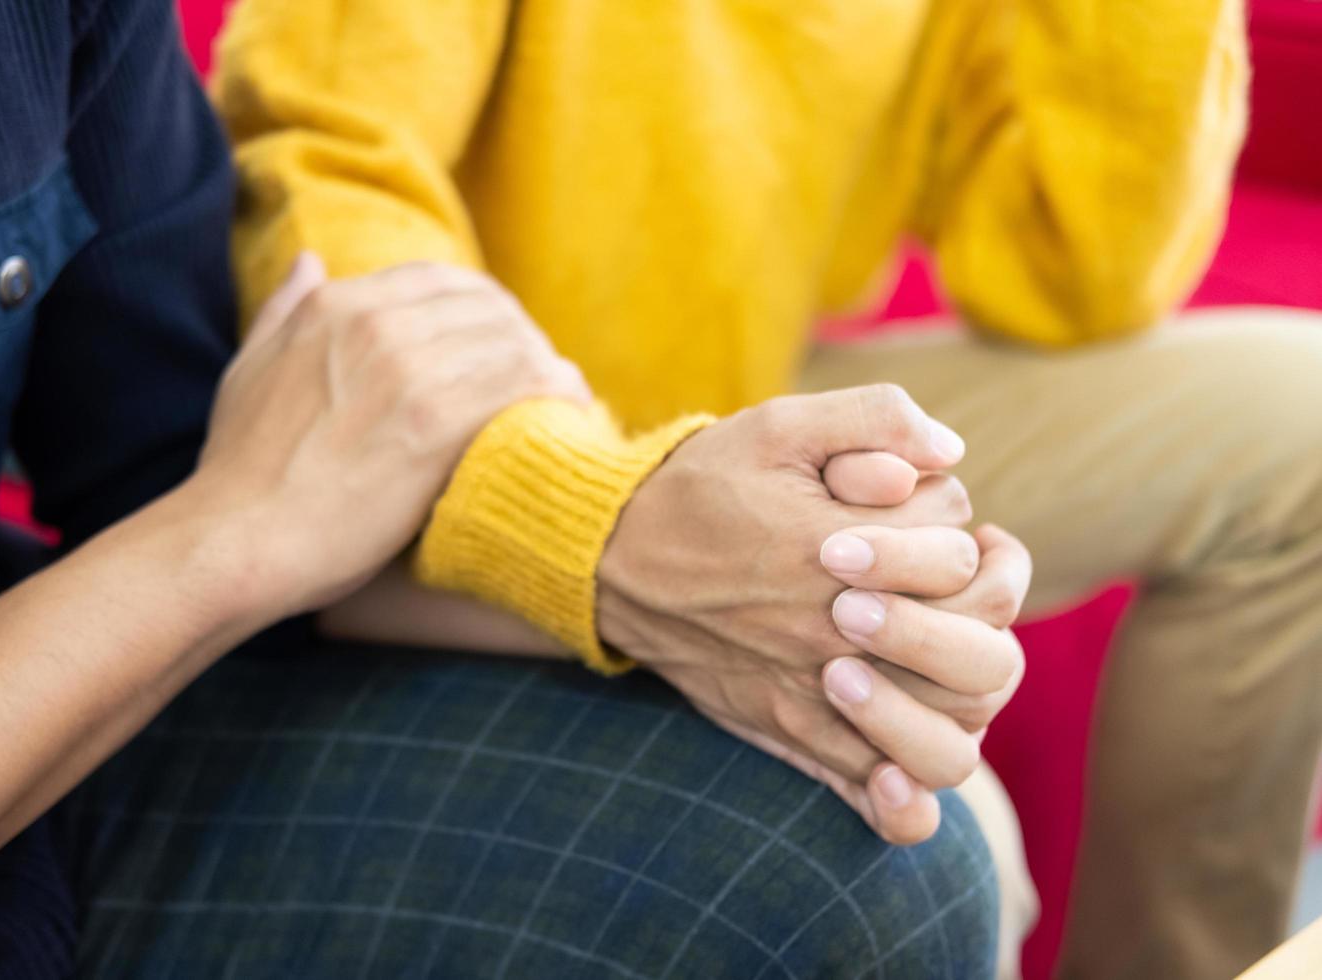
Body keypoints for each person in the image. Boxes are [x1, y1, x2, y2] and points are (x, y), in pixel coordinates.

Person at [0, 1, 1021, 977]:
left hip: (45, 755)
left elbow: (170, 444)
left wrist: (624, 543)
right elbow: (230, 500)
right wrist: (227, 537)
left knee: (886, 857)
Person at [215, 0, 1322, 976]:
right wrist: (594, 494)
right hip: (465, 431)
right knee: (940, 835)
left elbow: (1064, 276)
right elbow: (324, 170)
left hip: (758, 394)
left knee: (1307, 419)